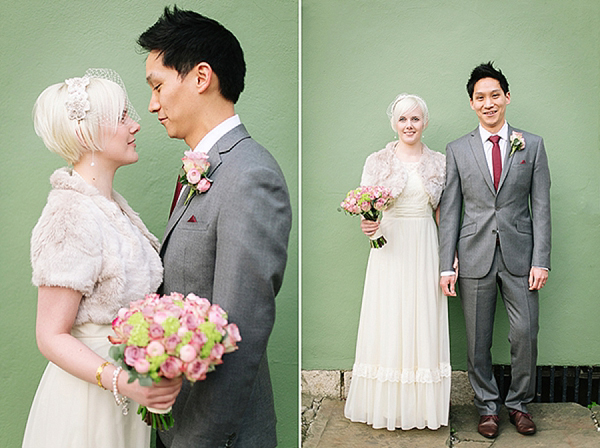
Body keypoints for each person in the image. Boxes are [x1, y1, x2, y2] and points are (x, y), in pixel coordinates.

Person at [137, 6, 292, 448]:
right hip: (176, 420)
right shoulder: (200, 168)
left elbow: (240, 327)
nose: (152, 104)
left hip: (217, 434)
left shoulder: (249, 175)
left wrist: (199, 438)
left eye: (158, 85)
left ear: (201, 77)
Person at [22, 69, 182, 448]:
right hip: (88, 402)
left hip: (123, 398)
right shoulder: (70, 213)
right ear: (86, 132)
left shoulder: (112, 209)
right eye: (123, 116)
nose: (136, 125)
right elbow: (49, 334)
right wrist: (124, 382)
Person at [439, 62, 551, 438]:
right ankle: (487, 407)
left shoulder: (531, 144)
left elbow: (542, 207)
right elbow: (451, 210)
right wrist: (445, 265)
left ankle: (519, 405)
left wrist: (542, 260)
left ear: (507, 97)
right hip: (474, 255)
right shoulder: (457, 150)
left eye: (494, 95)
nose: (488, 103)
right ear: (472, 104)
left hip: (521, 255)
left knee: (525, 333)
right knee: (477, 340)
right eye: (480, 98)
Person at [344, 94, 451, 430]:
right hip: (389, 248)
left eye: (415, 119)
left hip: (424, 246)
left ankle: (421, 408)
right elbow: (366, 207)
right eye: (403, 119)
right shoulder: (377, 161)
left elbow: (441, 213)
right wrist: (367, 223)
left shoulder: (439, 162)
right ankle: (387, 406)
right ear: (394, 123)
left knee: (421, 318)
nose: (409, 125)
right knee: (390, 317)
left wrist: (451, 257)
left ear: (425, 123)